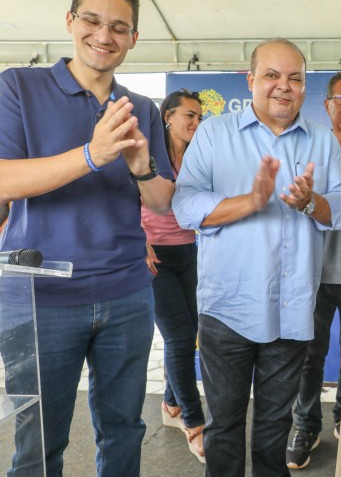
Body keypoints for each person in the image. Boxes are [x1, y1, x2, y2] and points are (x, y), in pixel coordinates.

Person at [0, 0, 174, 476]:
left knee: (124, 431)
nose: (104, 35)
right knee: (38, 442)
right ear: (70, 21)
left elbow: (162, 202)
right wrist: (92, 155)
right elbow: (5, 179)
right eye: (92, 21)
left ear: (134, 38)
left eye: (119, 27)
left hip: (127, 293)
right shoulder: (18, 86)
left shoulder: (141, 108)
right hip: (40, 296)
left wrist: (142, 168)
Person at [172, 38, 341, 477]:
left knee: (274, 430)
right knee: (224, 428)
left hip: (291, 308)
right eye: (272, 75)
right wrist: (250, 202)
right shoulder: (214, 134)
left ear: (305, 87)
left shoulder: (323, 141)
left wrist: (311, 202)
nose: (283, 86)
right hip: (227, 309)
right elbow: (185, 206)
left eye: (295, 78)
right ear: (251, 80)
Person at [286, 71, 341, 470]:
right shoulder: (309, 150)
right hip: (312, 271)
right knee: (308, 354)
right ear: (326, 105)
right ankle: (305, 425)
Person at [141, 89, 206, 463]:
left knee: (188, 333)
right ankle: (194, 422)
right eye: (189, 115)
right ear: (168, 117)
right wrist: (138, 238)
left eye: (199, 117)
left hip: (188, 251)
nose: (196, 122)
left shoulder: (197, 156)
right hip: (154, 257)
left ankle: (170, 403)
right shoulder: (150, 155)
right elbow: (122, 197)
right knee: (179, 337)